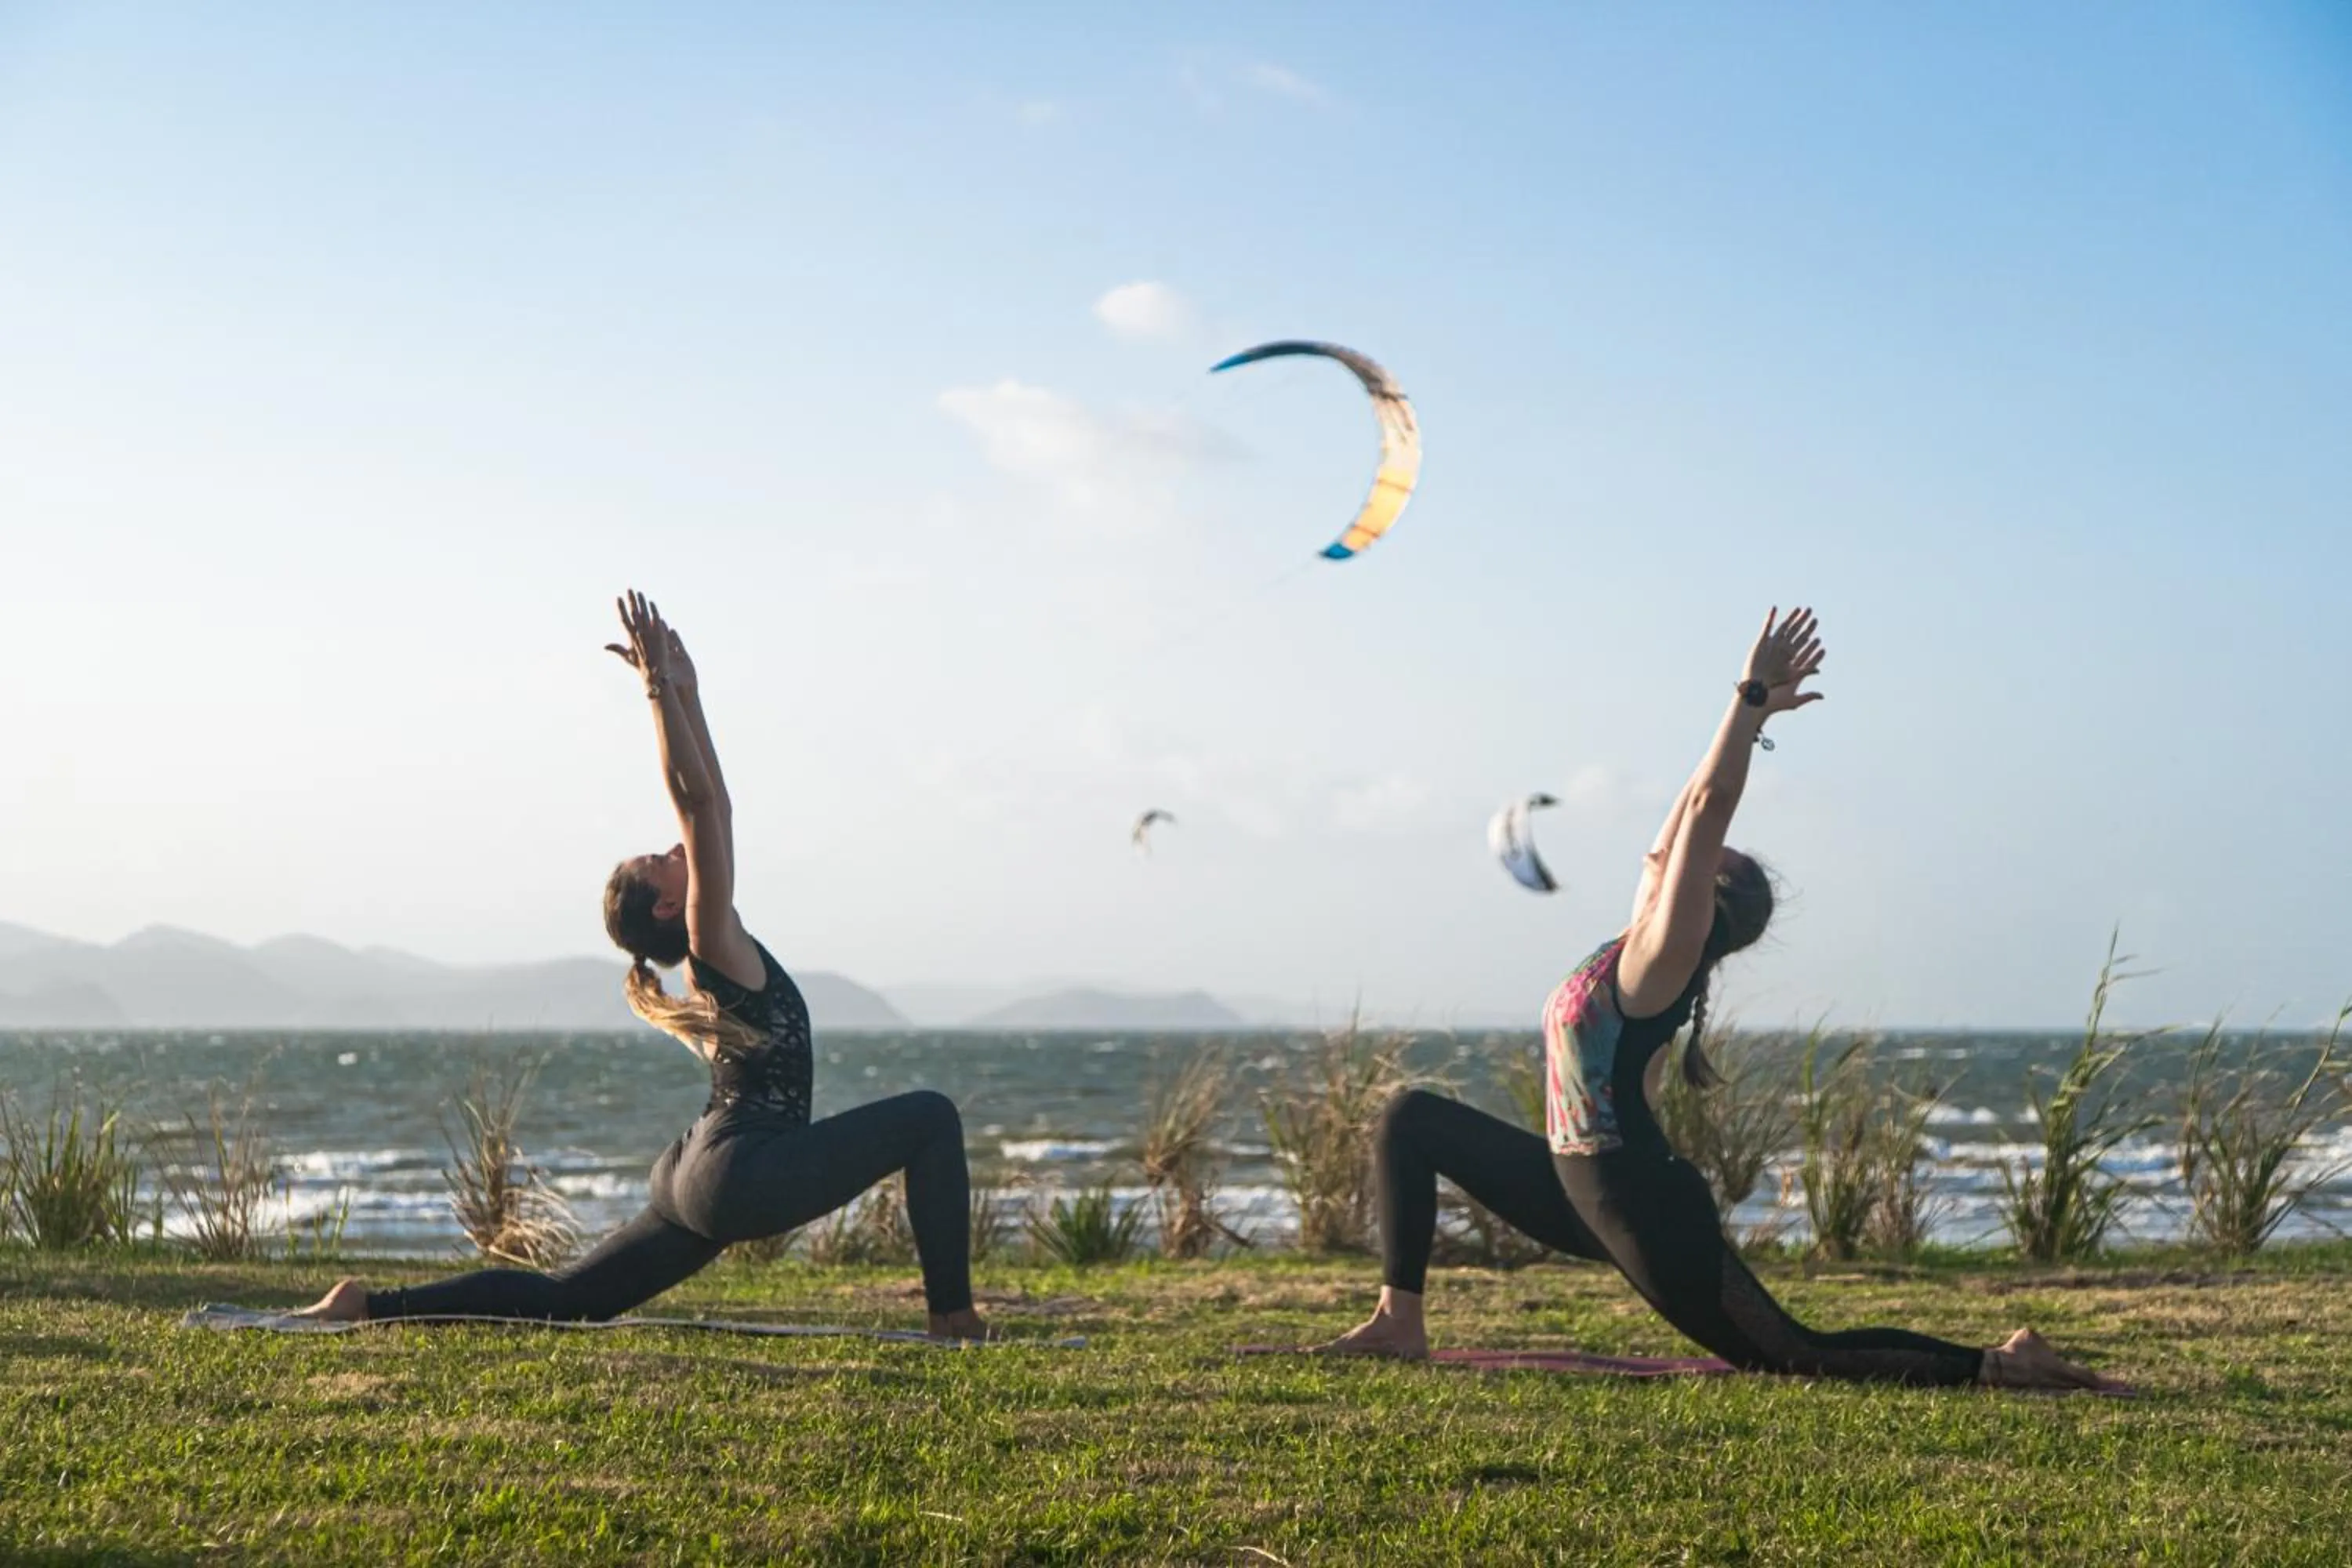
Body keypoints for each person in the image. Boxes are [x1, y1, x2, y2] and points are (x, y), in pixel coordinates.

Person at [1316, 607, 2118, 1391]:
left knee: (1793, 1353)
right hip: (1572, 1185)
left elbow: (1708, 806)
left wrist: (1751, 698)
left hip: (1639, 1200)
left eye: (1708, 861)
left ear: (1708, 901)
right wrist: (1746, 708)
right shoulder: (1639, 940)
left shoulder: (1663, 958)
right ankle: (1397, 1321)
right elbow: (1674, 835)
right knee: (1411, 1116)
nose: (1681, 855)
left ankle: (2002, 1362)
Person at [296, 591, 987, 1340]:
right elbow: (700, 805)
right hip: (739, 1170)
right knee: (931, 1118)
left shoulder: (715, 945)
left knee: (571, 1300)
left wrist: (688, 692)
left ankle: (371, 1306)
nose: (673, 848)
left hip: (696, 1170)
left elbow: (717, 806)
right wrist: (657, 692)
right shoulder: (710, 939)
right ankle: (954, 1319)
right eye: (660, 859)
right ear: (666, 906)